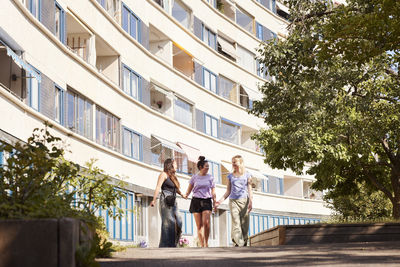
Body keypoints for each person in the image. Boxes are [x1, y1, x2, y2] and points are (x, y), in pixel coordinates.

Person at [214, 155, 253, 246]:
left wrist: (251, 201)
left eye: (235, 162)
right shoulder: (230, 176)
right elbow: (228, 191)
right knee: (236, 222)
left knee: (244, 224)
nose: (233, 164)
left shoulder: (248, 175)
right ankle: (240, 243)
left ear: (241, 163)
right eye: (232, 162)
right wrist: (220, 201)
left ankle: (242, 241)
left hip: (244, 201)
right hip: (233, 201)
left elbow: (250, 189)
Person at [150, 158, 183, 247]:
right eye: (175, 164)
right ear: (170, 165)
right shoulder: (163, 175)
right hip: (165, 199)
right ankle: (166, 245)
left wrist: (182, 194)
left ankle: (173, 243)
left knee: (179, 220)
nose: (177, 166)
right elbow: (158, 187)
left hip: (173, 200)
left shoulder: (172, 177)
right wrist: (154, 200)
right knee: (168, 222)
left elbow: (175, 189)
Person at [184, 156, 216, 247]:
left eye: (208, 166)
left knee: (206, 223)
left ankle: (206, 243)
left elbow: (213, 191)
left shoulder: (210, 177)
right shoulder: (194, 177)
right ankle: (202, 244)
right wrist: (186, 195)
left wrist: (215, 202)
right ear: (201, 167)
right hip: (196, 201)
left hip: (207, 200)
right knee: (199, 226)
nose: (208, 168)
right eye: (206, 166)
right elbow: (189, 189)